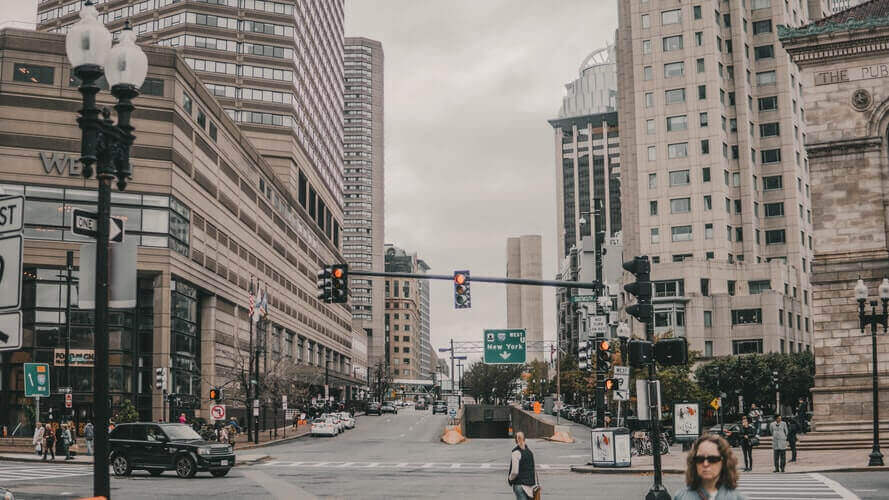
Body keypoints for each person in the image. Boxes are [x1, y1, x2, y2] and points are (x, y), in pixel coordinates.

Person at [673, 434, 744, 500]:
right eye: (699, 459)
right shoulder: (681, 497)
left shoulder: (736, 497)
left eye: (713, 459)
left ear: (725, 461)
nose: (705, 464)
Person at [507, 431, 539, 500]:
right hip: (530, 486)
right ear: (525, 439)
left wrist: (510, 478)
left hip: (520, 485)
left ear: (515, 441)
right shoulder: (530, 452)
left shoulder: (516, 453)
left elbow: (515, 472)